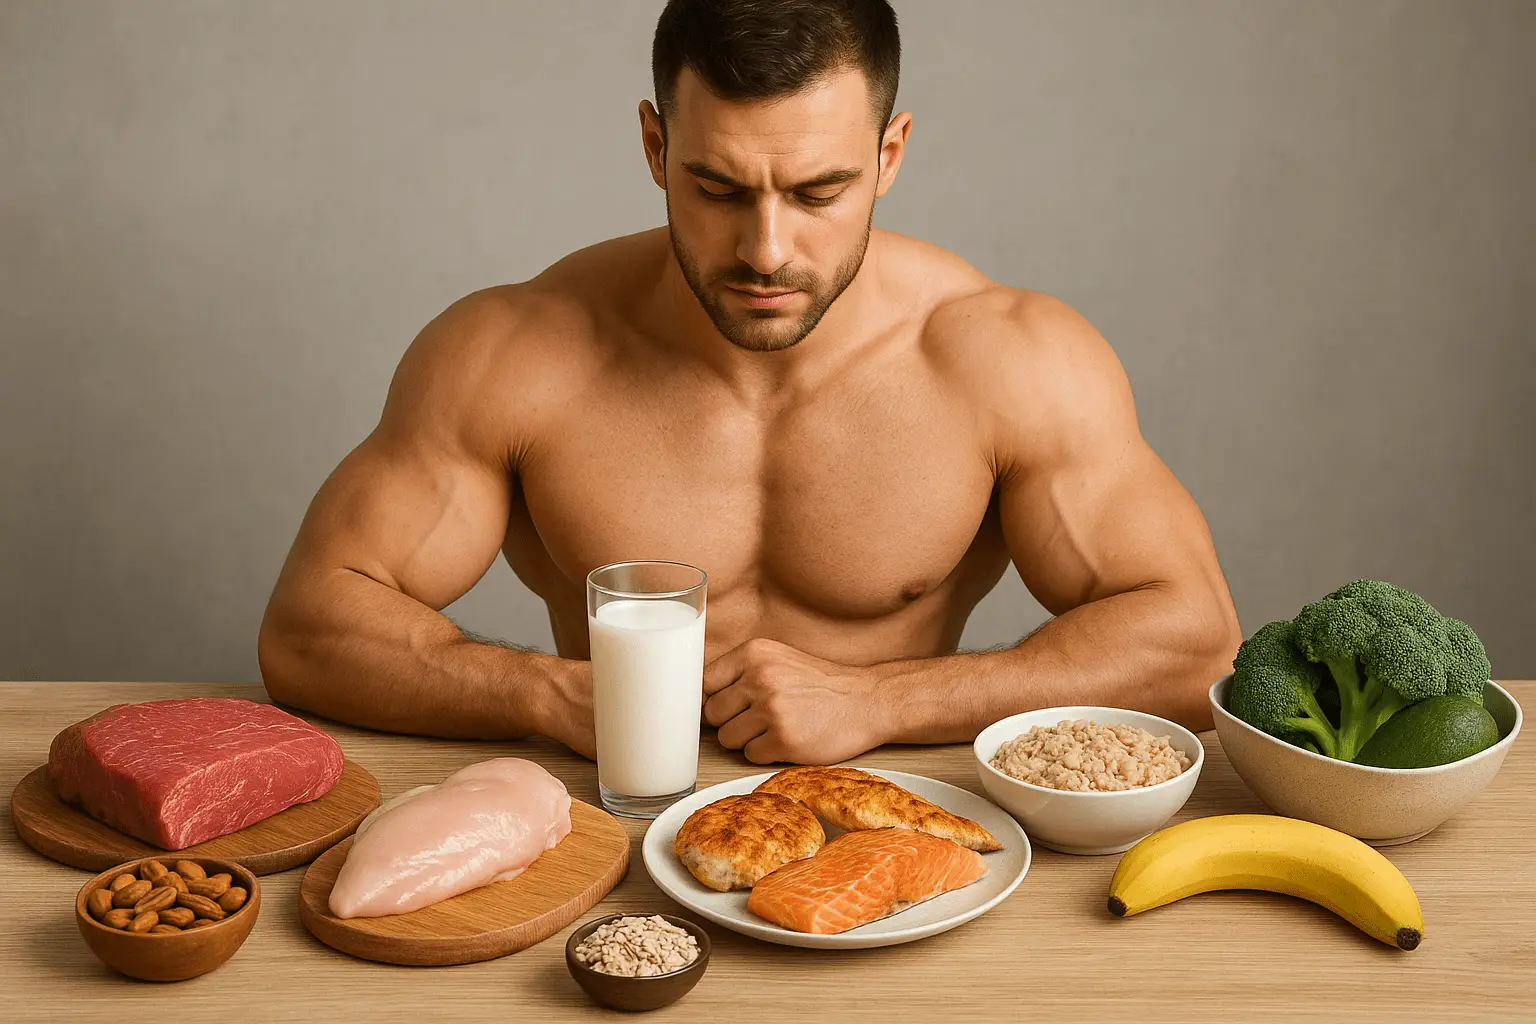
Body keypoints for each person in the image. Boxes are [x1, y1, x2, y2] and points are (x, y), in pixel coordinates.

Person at [258, 0, 1242, 765]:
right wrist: (545, 694)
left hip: (903, 830)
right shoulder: (516, 352)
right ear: (655, 147)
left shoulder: (1008, 360)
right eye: (719, 189)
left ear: (889, 154)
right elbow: (309, 629)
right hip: (610, 825)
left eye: (819, 192)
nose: (766, 250)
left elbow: (1194, 643)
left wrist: (886, 700)